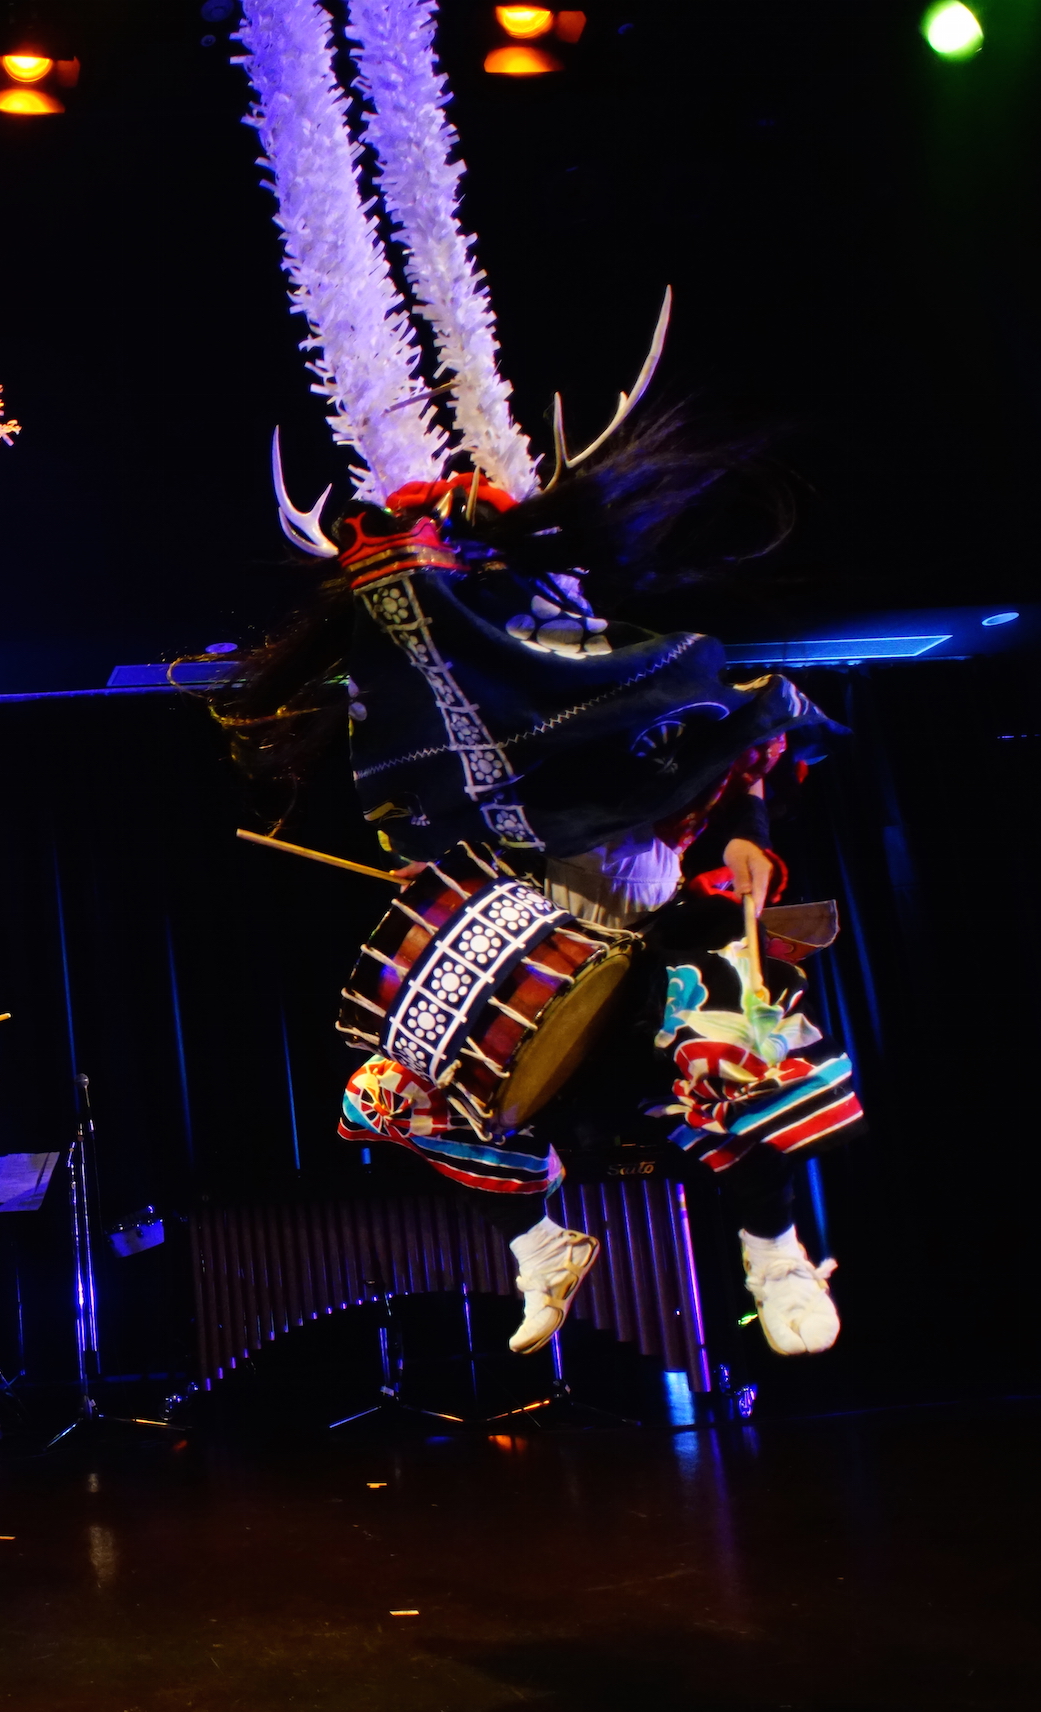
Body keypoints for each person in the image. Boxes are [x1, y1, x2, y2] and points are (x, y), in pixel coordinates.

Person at [214, 0, 859, 1363]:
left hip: (631, 883)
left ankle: (775, 1248)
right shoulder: (410, 634)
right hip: (520, 901)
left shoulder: (562, 615)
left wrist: (742, 837)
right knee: (426, 1078)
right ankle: (541, 1236)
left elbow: (696, 725)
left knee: (718, 1051)